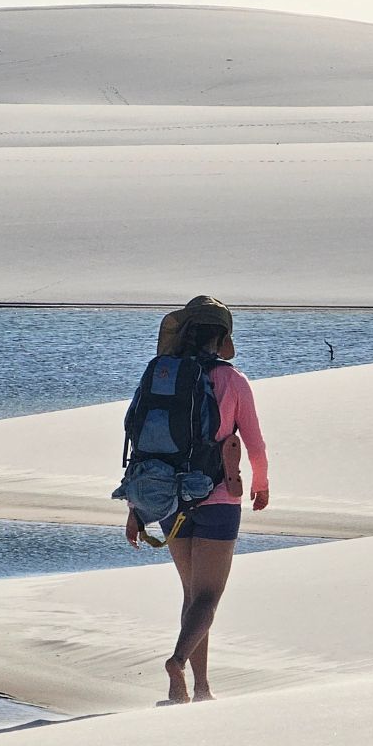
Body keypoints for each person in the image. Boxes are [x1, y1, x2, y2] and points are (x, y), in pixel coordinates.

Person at [125, 297, 269, 703]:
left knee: (192, 595)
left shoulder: (162, 375)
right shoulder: (233, 381)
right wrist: (261, 483)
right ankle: (177, 661)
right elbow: (254, 441)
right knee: (208, 597)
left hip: (170, 498)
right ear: (221, 337)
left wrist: (135, 509)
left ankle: (199, 688)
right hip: (218, 496)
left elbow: (142, 445)